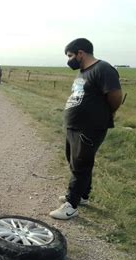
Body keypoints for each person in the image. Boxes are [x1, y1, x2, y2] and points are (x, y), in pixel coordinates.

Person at [49, 38, 123, 220]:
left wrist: (107, 113)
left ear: (80, 53)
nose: (69, 60)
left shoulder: (103, 69)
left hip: (89, 127)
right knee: (76, 161)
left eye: (70, 56)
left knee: (80, 164)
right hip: (74, 126)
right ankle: (83, 195)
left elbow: (115, 96)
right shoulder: (83, 72)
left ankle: (71, 204)